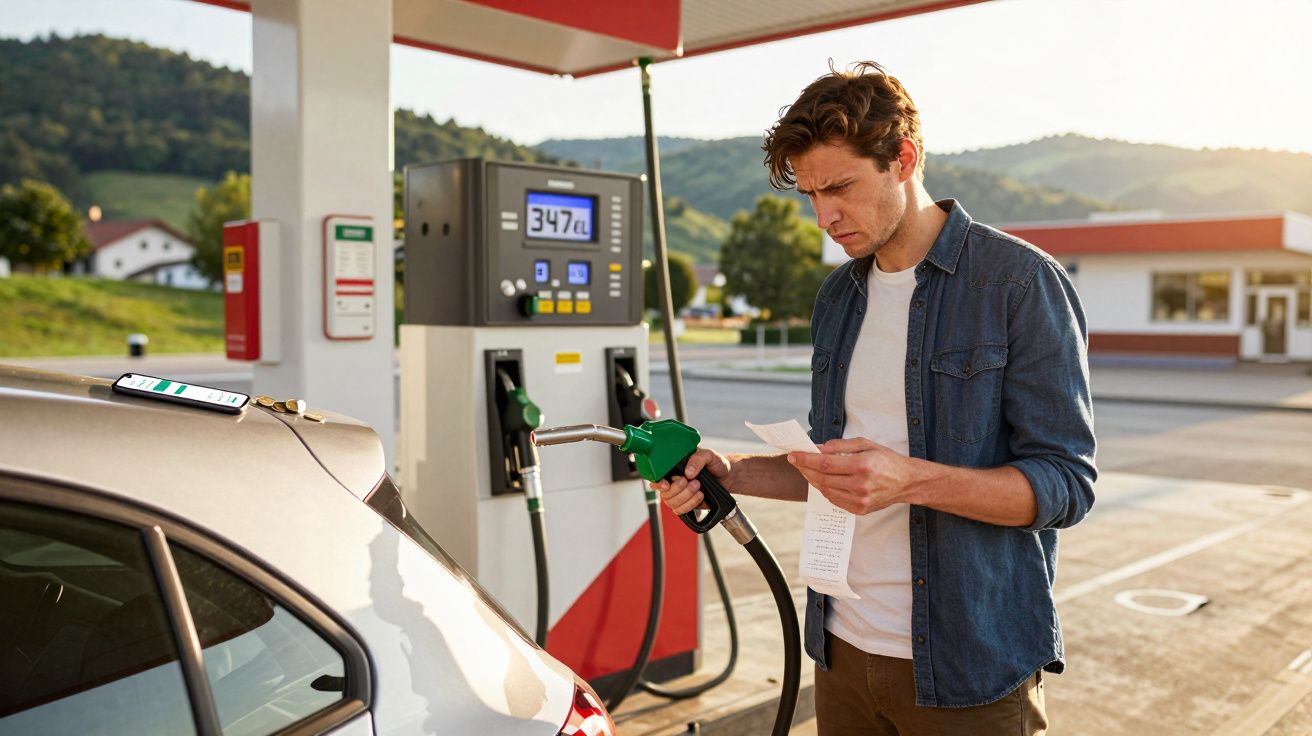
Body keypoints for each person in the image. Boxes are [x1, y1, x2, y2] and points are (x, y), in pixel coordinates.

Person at [653, 61, 1097, 735]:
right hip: (843, 653)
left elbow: (1066, 486)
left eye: (840, 187)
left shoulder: (1018, 283)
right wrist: (730, 471)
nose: (825, 215)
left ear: (904, 159)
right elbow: (834, 469)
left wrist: (909, 481)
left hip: (968, 669)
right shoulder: (839, 299)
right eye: (809, 194)